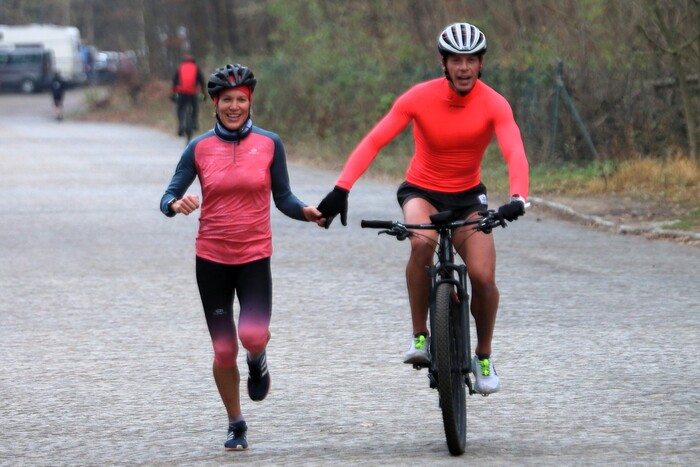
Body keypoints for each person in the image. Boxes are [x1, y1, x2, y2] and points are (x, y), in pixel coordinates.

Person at [317, 22, 530, 395]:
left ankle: (483, 355)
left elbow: (514, 150)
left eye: (471, 60)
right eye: (456, 60)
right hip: (422, 191)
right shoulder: (418, 97)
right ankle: (420, 336)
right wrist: (341, 189)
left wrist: (517, 197)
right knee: (421, 243)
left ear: (481, 64)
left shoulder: (494, 103)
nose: (464, 67)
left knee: (482, 277)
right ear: (443, 63)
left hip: (468, 198)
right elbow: (374, 141)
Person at [160, 63, 323, 451]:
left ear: (250, 103)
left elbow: (283, 196)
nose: (234, 107)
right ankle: (236, 423)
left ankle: (257, 358)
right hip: (211, 260)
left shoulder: (269, 144)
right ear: (214, 104)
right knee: (223, 350)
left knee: (251, 336)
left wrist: (306, 211)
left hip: (253, 257)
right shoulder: (198, 148)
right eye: (227, 100)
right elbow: (168, 195)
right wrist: (175, 205)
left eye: (241, 100)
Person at [172, 54, 207, 136]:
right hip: (193, 92)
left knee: (180, 109)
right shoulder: (196, 68)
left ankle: (181, 124)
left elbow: (174, 81)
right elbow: (202, 81)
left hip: (182, 92)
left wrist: (173, 93)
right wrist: (204, 94)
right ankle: (194, 123)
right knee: (195, 107)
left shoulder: (180, 67)